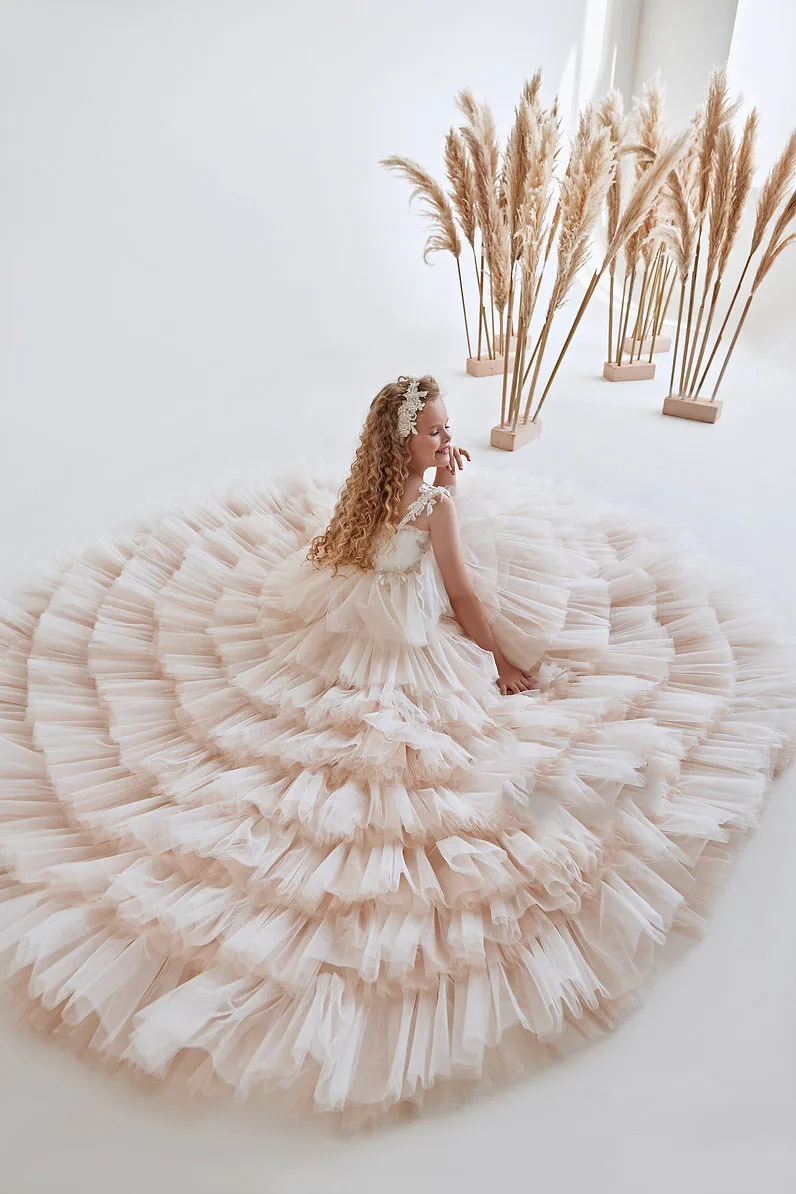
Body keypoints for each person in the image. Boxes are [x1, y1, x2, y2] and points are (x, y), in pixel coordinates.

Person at [0, 372, 794, 1128]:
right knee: (422, 779)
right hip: (404, 638)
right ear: (407, 441)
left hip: (359, 609)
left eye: (450, 429)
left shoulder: (371, 486)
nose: (450, 441)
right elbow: (463, 596)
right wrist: (501, 661)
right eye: (438, 430)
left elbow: (380, 550)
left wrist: (444, 479)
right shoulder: (438, 501)